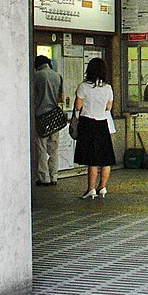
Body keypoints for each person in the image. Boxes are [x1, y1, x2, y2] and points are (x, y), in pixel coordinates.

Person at [72, 57, 115, 199]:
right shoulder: (108, 88)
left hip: (88, 124)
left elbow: (78, 106)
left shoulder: (83, 87)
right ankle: (102, 187)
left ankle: (91, 189)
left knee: (92, 159)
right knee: (105, 158)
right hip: (103, 124)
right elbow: (108, 107)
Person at [32, 54, 65, 186]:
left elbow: (33, 96)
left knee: (41, 148)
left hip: (40, 117)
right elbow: (61, 98)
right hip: (55, 117)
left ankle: (44, 177)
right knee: (54, 148)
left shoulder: (36, 76)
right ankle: (54, 176)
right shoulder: (58, 76)